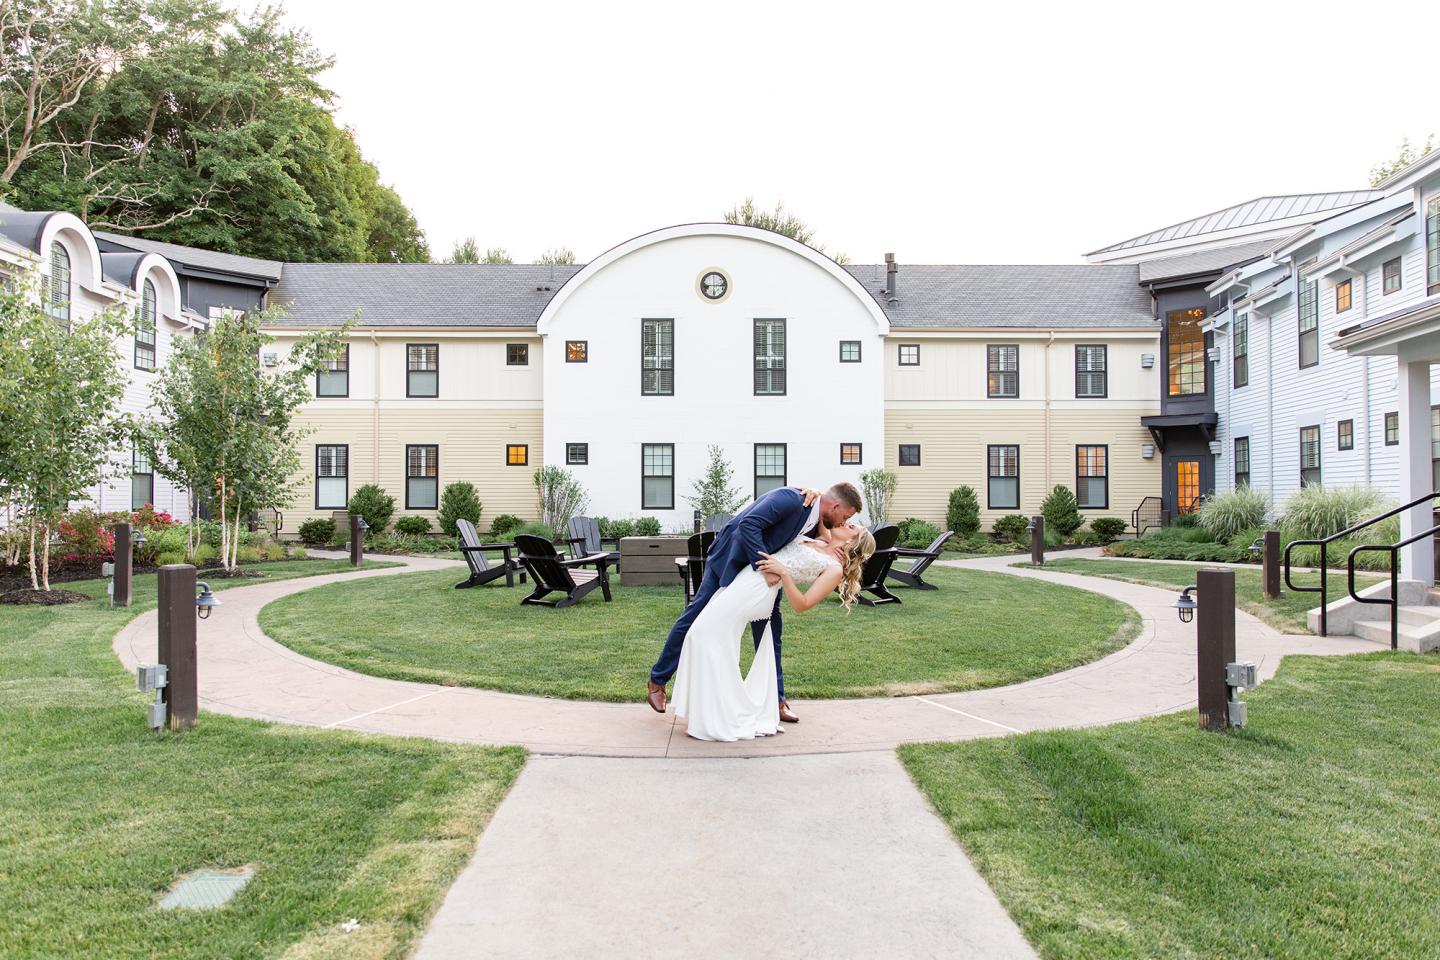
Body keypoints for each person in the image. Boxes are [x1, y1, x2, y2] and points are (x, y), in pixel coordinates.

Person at [646, 482, 864, 723]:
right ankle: (658, 681)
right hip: (732, 559)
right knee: (697, 615)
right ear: (835, 506)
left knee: (770, 633)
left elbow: (815, 541)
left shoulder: (820, 518)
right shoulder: (791, 500)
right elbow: (749, 524)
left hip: (767, 581)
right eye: (845, 516)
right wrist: (765, 569)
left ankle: (776, 700)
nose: (844, 522)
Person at [670, 521, 875, 741]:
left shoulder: (834, 568)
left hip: (759, 590)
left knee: (701, 634)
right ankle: (713, 709)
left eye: (852, 527)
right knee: (710, 638)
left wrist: (784, 574)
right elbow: (825, 510)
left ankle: (717, 713)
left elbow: (802, 604)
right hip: (747, 578)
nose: (846, 523)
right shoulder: (823, 540)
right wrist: (812, 492)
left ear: (852, 542)